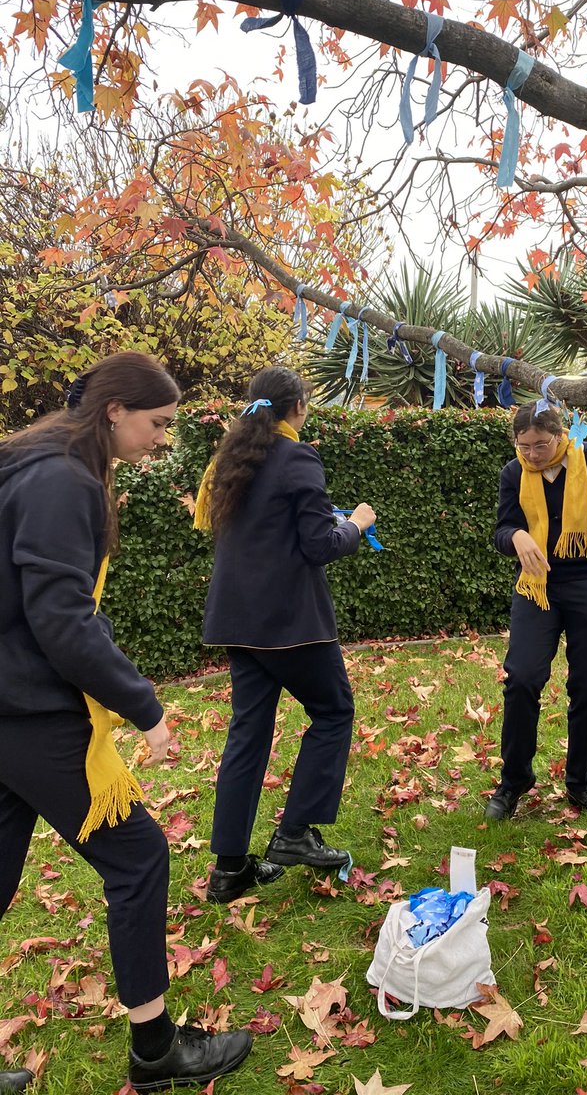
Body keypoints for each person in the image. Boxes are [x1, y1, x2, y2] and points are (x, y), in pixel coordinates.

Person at [0, 351, 252, 1093]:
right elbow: (62, 618)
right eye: (159, 423)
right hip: (26, 711)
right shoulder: (61, 479)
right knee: (138, 856)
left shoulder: (35, 460)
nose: (163, 438)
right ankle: (155, 1051)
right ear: (115, 410)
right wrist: (144, 707)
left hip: (7, 705)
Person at [194, 367, 376, 904]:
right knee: (334, 710)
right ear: (297, 405)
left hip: (237, 620)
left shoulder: (228, 460)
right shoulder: (297, 456)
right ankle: (295, 833)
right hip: (290, 623)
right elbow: (319, 545)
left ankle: (229, 869)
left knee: (248, 733)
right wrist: (357, 525)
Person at [486, 401, 587, 822]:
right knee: (521, 677)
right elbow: (503, 529)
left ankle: (580, 782)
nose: (533, 455)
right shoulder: (513, 474)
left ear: (560, 435)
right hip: (537, 585)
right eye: (524, 447)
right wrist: (517, 536)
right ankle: (514, 780)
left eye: (541, 445)